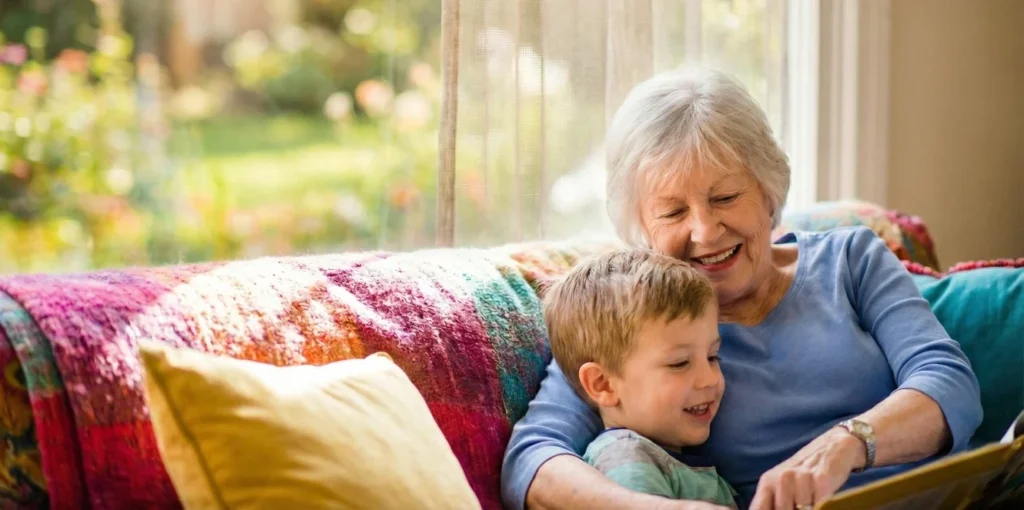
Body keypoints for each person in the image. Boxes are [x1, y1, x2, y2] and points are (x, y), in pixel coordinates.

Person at [500, 66, 983, 510]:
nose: (706, 232)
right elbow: (533, 461)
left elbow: (949, 383)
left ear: (769, 192)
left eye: (726, 197)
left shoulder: (851, 259)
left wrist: (847, 445)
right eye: (672, 212)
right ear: (642, 228)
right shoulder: (628, 317)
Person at [543, 249, 737, 508]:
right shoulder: (625, 458)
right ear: (603, 384)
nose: (709, 379)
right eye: (679, 363)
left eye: (712, 357)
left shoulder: (665, 458)